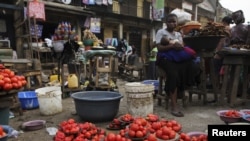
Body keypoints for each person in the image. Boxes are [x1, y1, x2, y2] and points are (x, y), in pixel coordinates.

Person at [155, 13, 198, 117]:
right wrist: (172, 46)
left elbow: (182, 47)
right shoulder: (161, 32)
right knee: (173, 73)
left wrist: (180, 47)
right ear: (166, 23)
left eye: (174, 21)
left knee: (192, 65)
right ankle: (174, 105)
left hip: (176, 58)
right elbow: (159, 48)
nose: (172, 23)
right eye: (169, 21)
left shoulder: (178, 34)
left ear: (177, 22)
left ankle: (181, 90)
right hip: (164, 58)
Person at [213, 16, 233, 88]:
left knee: (216, 71)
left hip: (220, 52)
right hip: (227, 52)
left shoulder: (222, 28)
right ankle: (224, 87)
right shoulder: (231, 29)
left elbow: (220, 42)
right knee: (225, 71)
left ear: (224, 21)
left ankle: (217, 87)